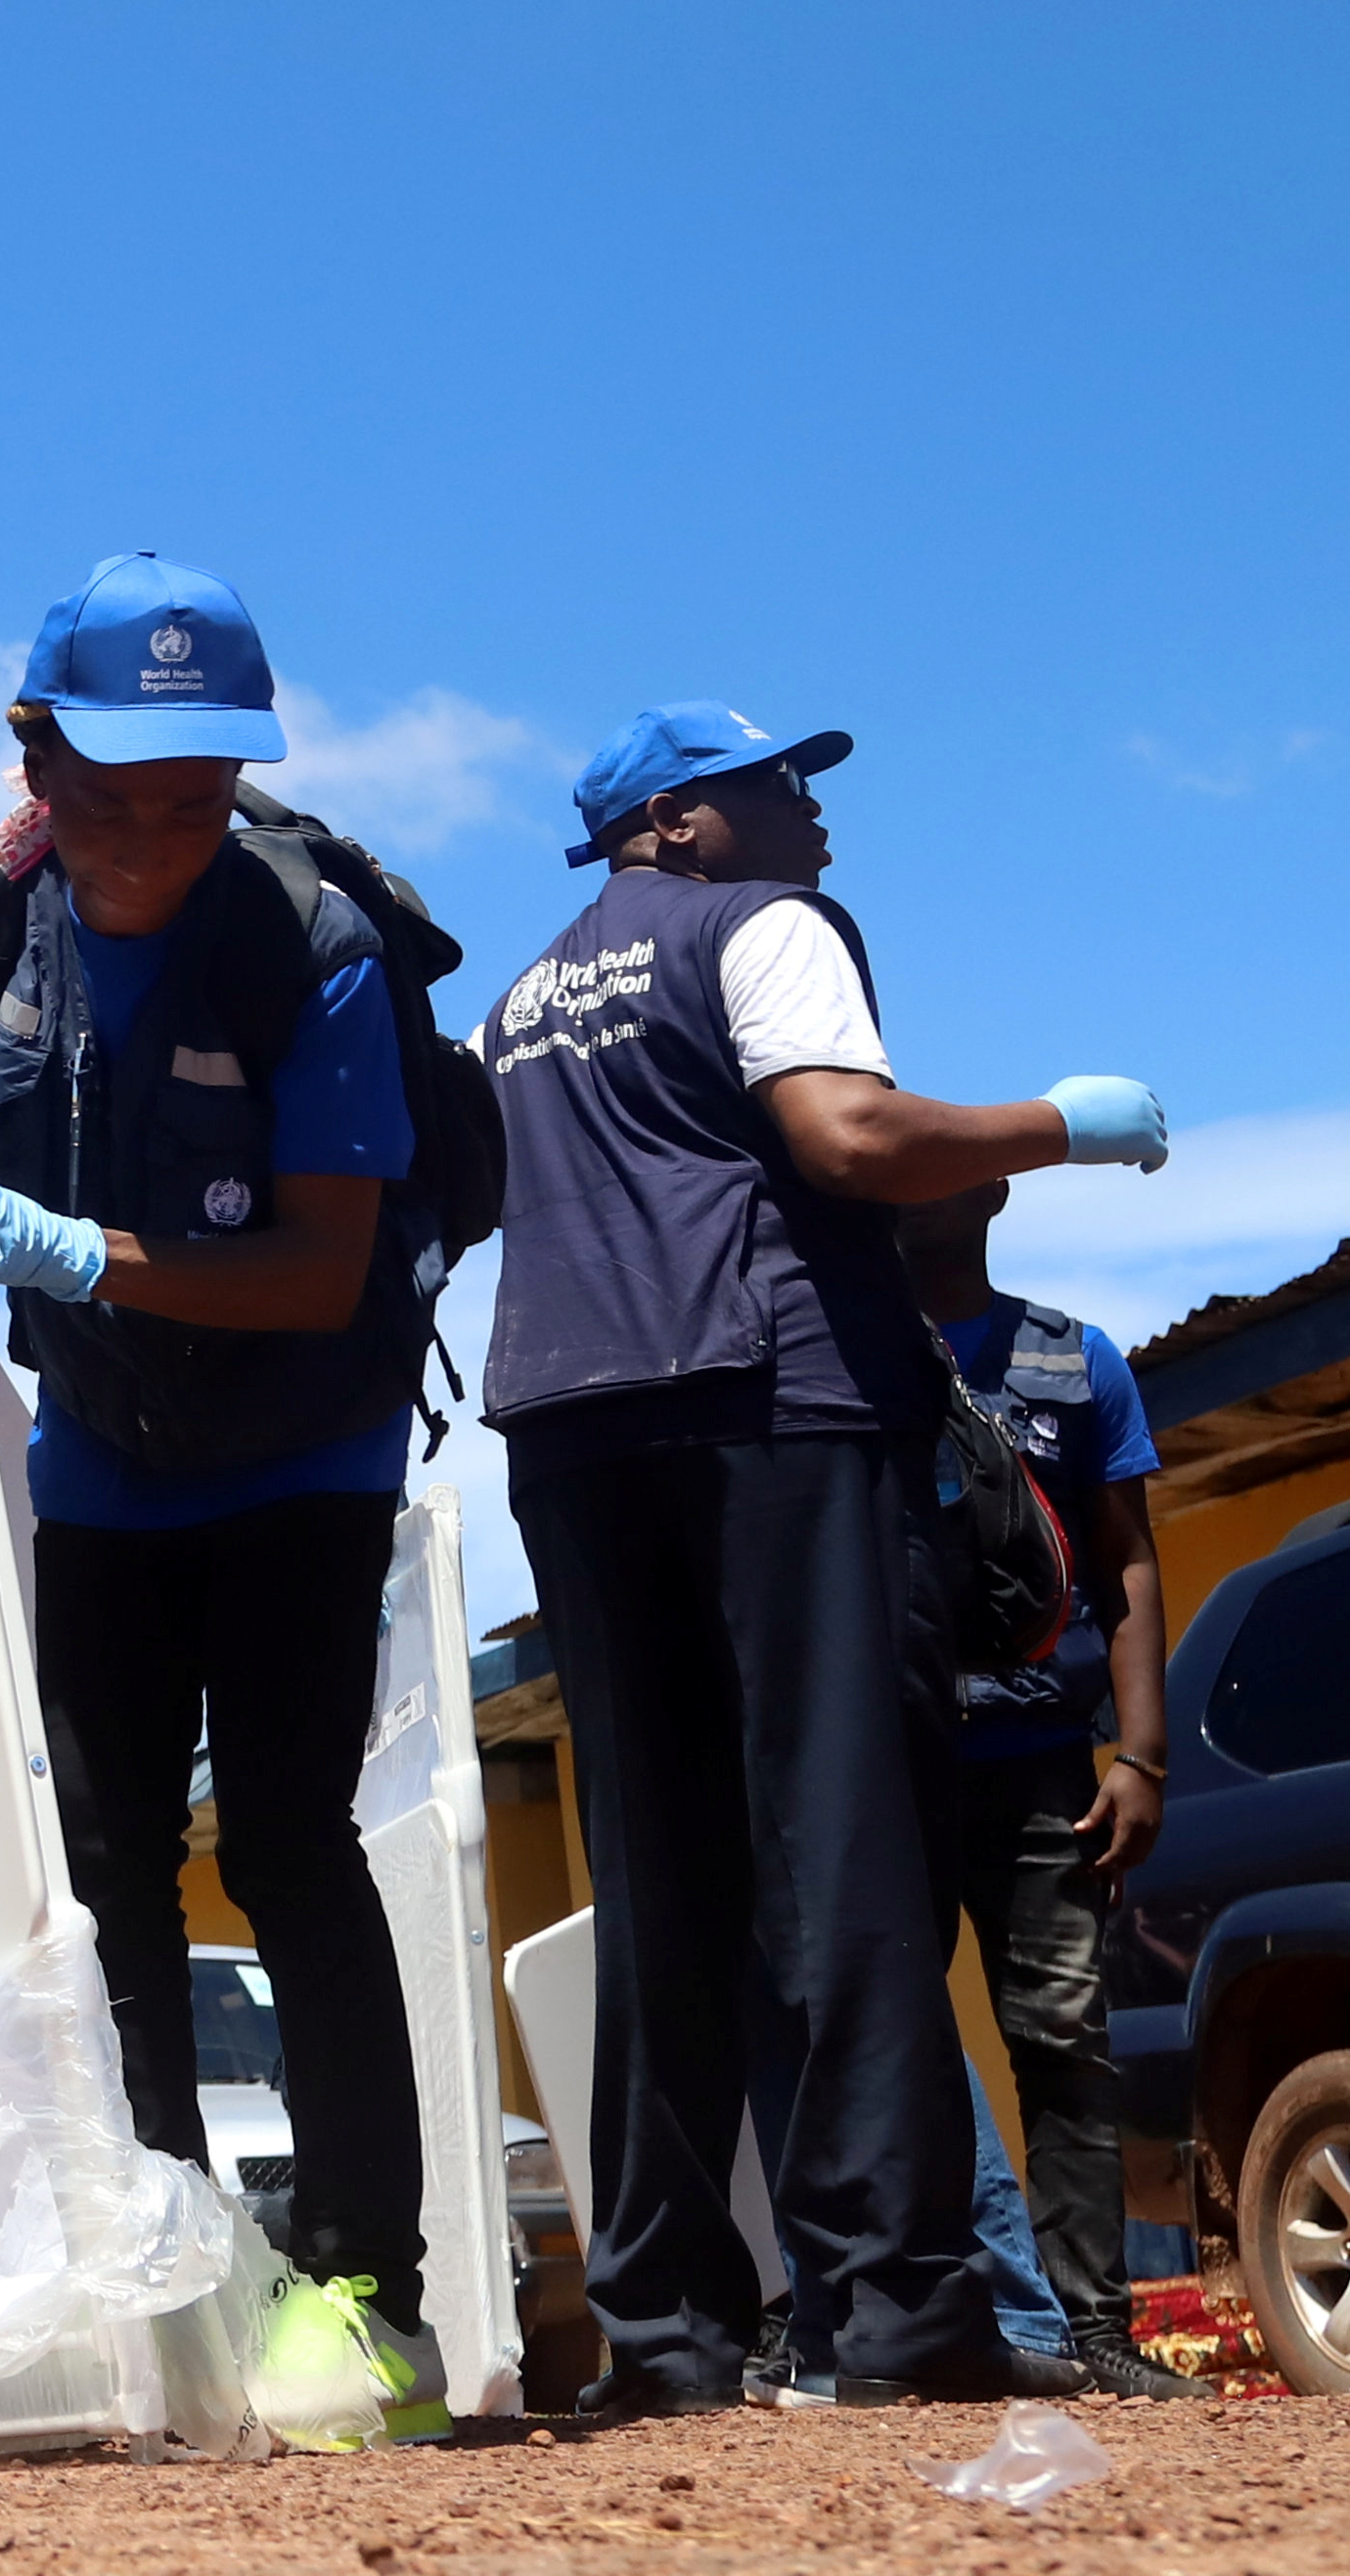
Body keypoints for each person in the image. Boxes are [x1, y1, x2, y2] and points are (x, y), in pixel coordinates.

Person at [0, 554, 447, 2441]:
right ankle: (157, 2258)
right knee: (105, 1866)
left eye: (193, 797)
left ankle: (371, 2291)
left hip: (306, 1442)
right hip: (107, 1466)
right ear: (30, 757)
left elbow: (319, 1264)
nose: (151, 839)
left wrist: (66, 1243)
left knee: (294, 1842)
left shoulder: (316, 945)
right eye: (110, 796)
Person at [480, 700, 1168, 2411]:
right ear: (672, 823)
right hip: (769, 1400)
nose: (808, 807)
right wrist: (1056, 1123)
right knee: (846, 1851)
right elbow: (846, 1139)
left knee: (660, 1873)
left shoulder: (521, 996)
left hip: (570, 1425)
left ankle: (663, 2330)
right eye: (770, 782)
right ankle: (898, 2306)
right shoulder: (764, 926)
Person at [895, 1179, 1202, 2401]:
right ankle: (933, 2323)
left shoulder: (1075, 1361)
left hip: (1041, 1771)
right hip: (892, 1768)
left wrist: (1142, 1753)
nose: (917, 1189)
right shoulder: (846, 1357)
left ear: (997, 1192)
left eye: (943, 1165)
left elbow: (1128, 1555)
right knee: (890, 2041)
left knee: (1066, 2042)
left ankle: (1094, 2334)